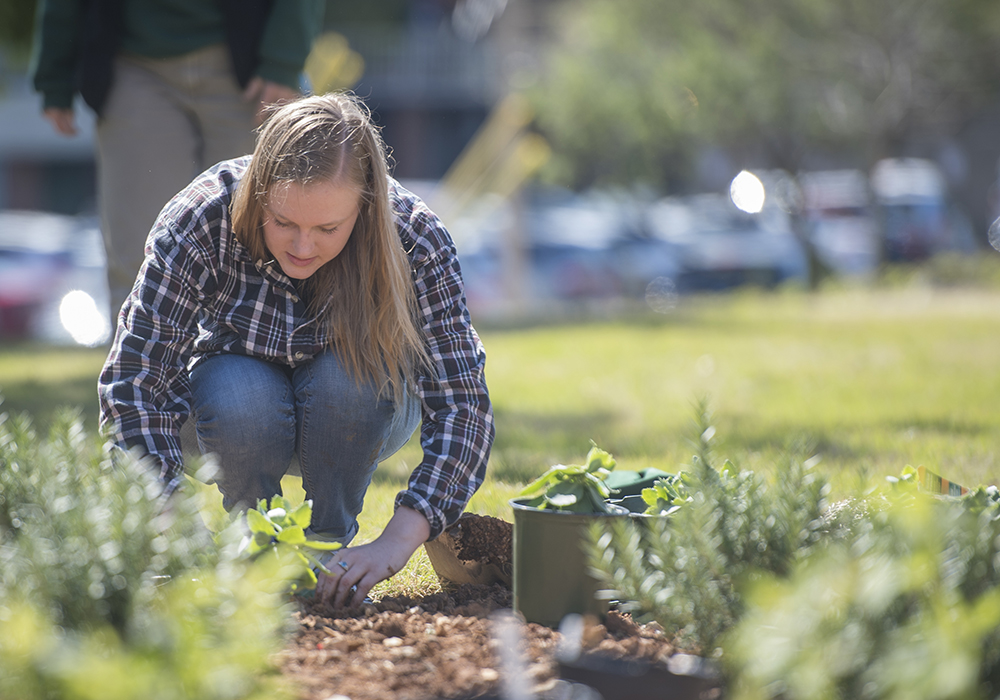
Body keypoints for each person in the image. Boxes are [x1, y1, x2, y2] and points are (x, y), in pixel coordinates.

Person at [98, 92, 495, 608]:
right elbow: (135, 382)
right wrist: (170, 523)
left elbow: (464, 404)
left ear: (366, 204)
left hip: (364, 405)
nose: (303, 247)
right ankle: (259, 550)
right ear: (258, 192)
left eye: (328, 228)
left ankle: (331, 554)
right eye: (283, 222)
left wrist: (397, 541)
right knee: (240, 394)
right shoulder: (200, 219)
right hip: (229, 409)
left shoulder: (414, 236)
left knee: (346, 384)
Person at [29, 0, 324, 320]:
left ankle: (273, 365)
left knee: (268, 241)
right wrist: (54, 71)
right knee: (140, 253)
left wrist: (283, 60)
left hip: (250, 59)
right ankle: (139, 369)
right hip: (134, 63)